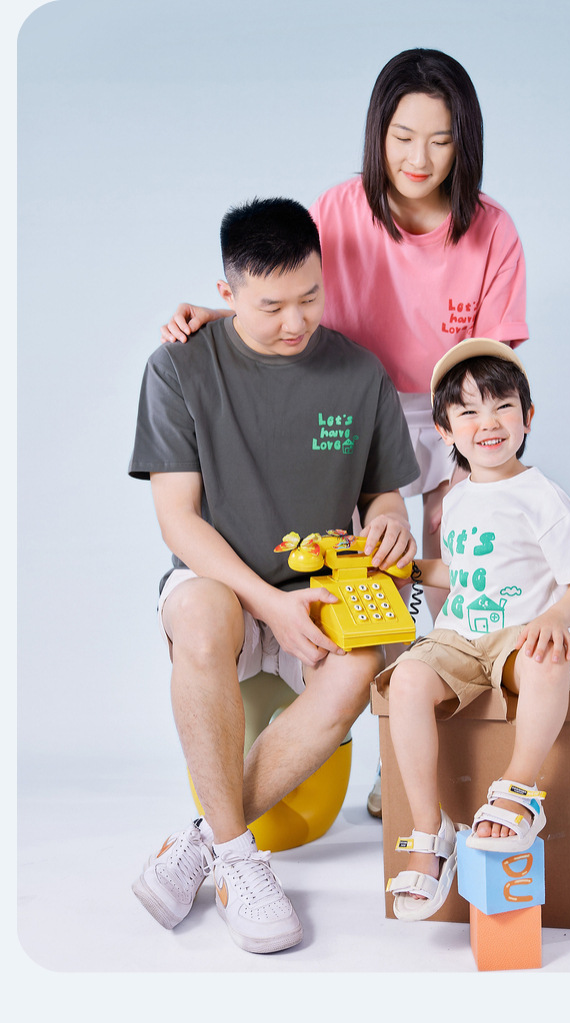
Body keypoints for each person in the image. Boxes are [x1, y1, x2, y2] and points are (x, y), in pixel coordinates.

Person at [128, 197, 419, 953]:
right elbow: (178, 521)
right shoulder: (178, 366)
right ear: (226, 293)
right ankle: (243, 861)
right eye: (271, 307)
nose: (296, 321)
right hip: (222, 584)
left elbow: (383, 494)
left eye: (310, 297)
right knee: (200, 617)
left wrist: (391, 519)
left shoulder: (358, 372)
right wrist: (266, 603)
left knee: (359, 662)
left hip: (317, 590)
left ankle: (210, 846)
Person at [159, 48, 528, 622]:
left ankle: (455, 648)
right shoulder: (336, 211)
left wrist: (469, 461)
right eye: (402, 137)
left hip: (451, 406)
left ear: (465, 143)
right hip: (350, 403)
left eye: (440, 141)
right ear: (378, 133)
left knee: (453, 535)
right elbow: (288, 289)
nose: (419, 159)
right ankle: (374, 661)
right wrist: (226, 314)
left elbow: (491, 366)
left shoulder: (493, 230)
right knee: (361, 560)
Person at [377, 338, 570, 921]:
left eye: (503, 406)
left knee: (547, 658)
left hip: (523, 634)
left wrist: (554, 619)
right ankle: (429, 829)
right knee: (406, 680)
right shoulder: (456, 498)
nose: (489, 422)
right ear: (445, 431)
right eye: (469, 411)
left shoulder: (541, 496)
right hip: (461, 637)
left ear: (528, 417)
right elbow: (464, 573)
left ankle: (518, 789)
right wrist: (412, 570)